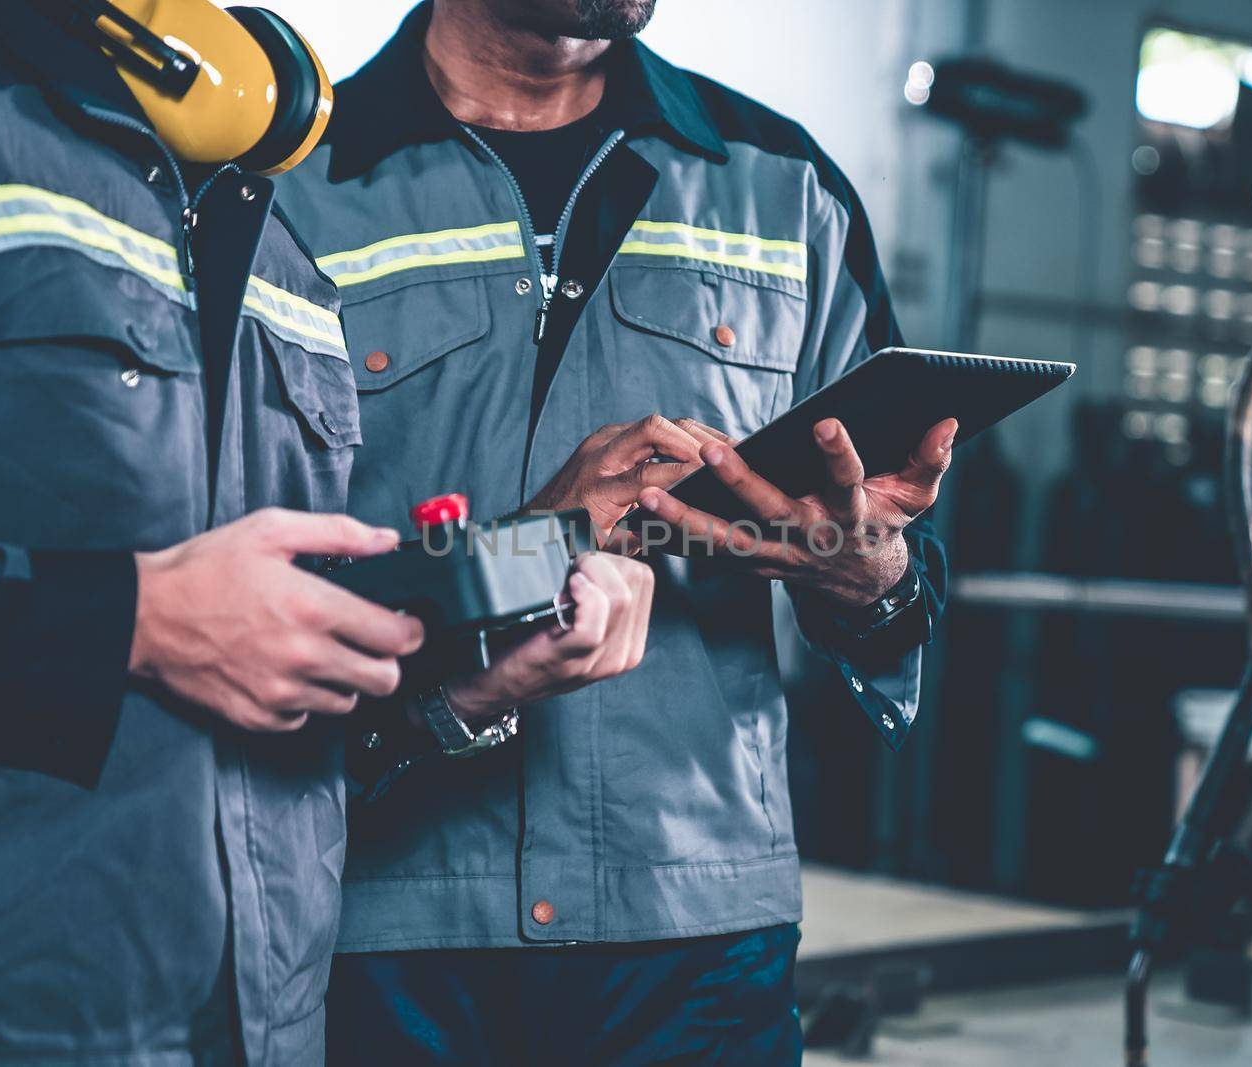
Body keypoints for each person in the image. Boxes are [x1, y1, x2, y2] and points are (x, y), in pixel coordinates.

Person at [0, 1, 652, 1063]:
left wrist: (455, 685)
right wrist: (126, 622)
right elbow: (164, 627)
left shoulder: (272, 221)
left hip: (263, 1021)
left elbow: (250, 676)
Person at [277, 0, 954, 1061]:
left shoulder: (785, 188)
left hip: (693, 935)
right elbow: (228, 586)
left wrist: (867, 575)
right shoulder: (284, 193)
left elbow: (882, 587)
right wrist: (526, 548)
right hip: (378, 916)